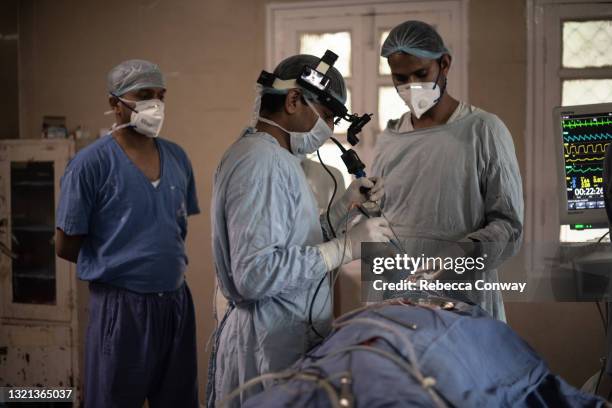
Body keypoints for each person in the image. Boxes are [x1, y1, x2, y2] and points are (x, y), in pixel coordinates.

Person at [208, 53, 393, 406]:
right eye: (326, 117)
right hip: (265, 344)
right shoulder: (262, 163)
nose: (328, 129)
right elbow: (255, 274)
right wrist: (343, 249)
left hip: (280, 335)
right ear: (294, 100)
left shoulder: (279, 158)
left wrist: (344, 207)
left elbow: (293, 240)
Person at [55, 59, 200, 407]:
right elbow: (65, 244)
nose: (155, 104)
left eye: (161, 95)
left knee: (178, 398)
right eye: (144, 94)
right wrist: (119, 260)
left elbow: (172, 227)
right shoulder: (91, 165)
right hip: (121, 309)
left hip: (176, 301)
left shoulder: (177, 158)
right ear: (115, 103)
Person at [372, 21, 524, 321]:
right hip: (398, 299)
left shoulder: (483, 131)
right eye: (400, 78)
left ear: (444, 64)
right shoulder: (389, 139)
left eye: (421, 74)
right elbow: (376, 221)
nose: (412, 86)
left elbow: (509, 226)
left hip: (464, 299)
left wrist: (457, 256)